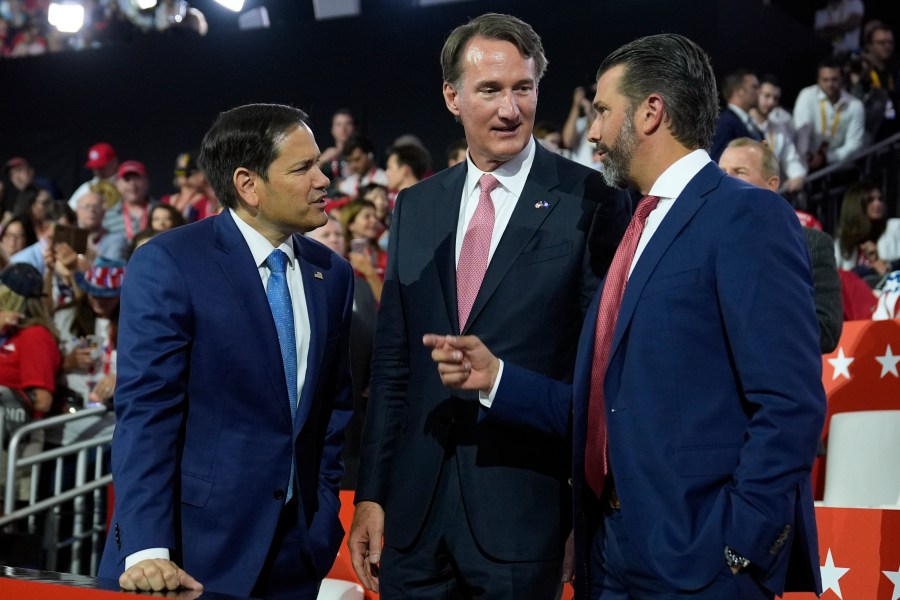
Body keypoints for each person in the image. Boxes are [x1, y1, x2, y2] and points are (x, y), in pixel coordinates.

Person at [425, 33, 825, 600]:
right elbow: (608, 407)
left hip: (701, 562)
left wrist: (741, 543)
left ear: (651, 111)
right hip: (611, 554)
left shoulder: (746, 216)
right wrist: (497, 380)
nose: (591, 133)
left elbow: (790, 402)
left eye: (603, 112)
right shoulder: (633, 230)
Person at [348, 12, 630, 599]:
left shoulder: (590, 200)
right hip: (414, 521)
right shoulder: (416, 206)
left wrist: (582, 512)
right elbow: (394, 366)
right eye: (491, 90)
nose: (510, 109)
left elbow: (599, 377)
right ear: (452, 96)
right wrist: (372, 494)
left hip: (525, 519)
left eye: (523, 88)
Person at [97, 103, 355, 600]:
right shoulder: (169, 262)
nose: (324, 180)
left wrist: (321, 521)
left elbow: (332, 411)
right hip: (185, 559)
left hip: (295, 560)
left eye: (319, 163)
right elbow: (147, 413)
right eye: (303, 168)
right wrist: (149, 548)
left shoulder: (333, 273)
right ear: (248, 184)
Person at [718, 137, 842, 353]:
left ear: (772, 184)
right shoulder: (703, 238)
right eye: (722, 172)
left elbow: (826, 330)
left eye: (739, 171)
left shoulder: (811, 243)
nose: (726, 179)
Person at [793, 57, 865, 171]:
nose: (830, 84)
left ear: (842, 79)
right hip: (806, 163)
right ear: (818, 80)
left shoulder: (855, 106)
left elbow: (854, 144)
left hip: (838, 166)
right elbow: (801, 129)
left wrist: (826, 158)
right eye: (825, 80)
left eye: (834, 79)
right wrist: (807, 155)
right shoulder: (807, 95)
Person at [749, 75, 807, 193]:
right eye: (767, 96)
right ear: (756, 94)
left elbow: (790, 158)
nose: (771, 102)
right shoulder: (743, 125)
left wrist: (797, 175)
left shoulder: (778, 128)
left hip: (772, 191)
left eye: (775, 98)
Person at [833, 180, 900, 281]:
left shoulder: (895, 227)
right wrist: (869, 269)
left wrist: (886, 264)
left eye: (880, 199)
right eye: (870, 200)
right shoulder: (842, 241)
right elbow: (835, 276)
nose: (877, 204)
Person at [709, 69, 763, 161]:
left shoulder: (749, 122)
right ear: (739, 91)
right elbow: (717, 160)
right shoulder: (725, 123)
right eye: (754, 87)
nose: (759, 92)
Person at [67, 142, 119, 210]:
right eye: (94, 167)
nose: (97, 171)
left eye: (101, 167)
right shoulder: (86, 188)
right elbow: (68, 212)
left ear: (114, 163)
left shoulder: (127, 185)